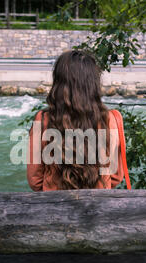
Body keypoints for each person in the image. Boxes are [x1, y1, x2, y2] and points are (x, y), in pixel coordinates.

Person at [27, 50, 125, 191]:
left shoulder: (44, 120)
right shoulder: (111, 119)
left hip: (55, 206)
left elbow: (35, 180)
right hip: (98, 206)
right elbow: (115, 177)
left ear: (59, 83)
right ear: (93, 84)